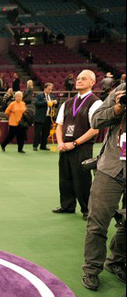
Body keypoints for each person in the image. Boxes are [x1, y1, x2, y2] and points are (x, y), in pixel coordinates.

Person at [81, 83, 125, 291]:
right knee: (97, 222)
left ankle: (116, 261)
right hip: (111, 168)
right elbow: (96, 120)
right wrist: (118, 108)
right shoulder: (122, 90)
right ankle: (91, 269)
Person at [53, 70, 102, 220]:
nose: (79, 81)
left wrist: (74, 143)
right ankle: (67, 205)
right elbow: (59, 125)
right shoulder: (67, 102)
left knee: (82, 179)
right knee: (65, 178)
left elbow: (95, 129)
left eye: (83, 79)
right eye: (78, 78)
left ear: (92, 82)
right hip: (65, 146)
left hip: (82, 147)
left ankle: (87, 210)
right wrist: (60, 143)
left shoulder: (96, 102)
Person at [33, 82, 56, 151]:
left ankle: (43, 145)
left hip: (48, 117)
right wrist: (46, 103)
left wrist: (55, 103)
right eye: (49, 89)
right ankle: (35, 146)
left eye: (51, 89)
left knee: (46, 132)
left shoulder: (52, 96)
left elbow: (54, 106)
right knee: (37, 132)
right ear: (45, 88)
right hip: (40, 117)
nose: (50, 91)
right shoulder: (39, 95)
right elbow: (36, 103)